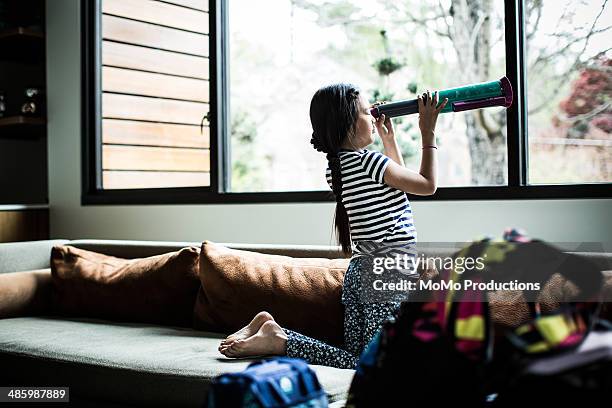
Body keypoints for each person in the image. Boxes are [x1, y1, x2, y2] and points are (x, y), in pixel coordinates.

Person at [218, 84, 448, 369]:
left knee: (357, 359)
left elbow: (401, 185)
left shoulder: (338, 169)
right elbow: (426, 184)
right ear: (347, 124)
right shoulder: (370, 162)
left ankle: (274, 332)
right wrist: (428, 131)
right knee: (377, 364)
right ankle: (278, 339)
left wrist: (390, 141)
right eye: (367, 112)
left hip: (361, 273)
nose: (375, 115)